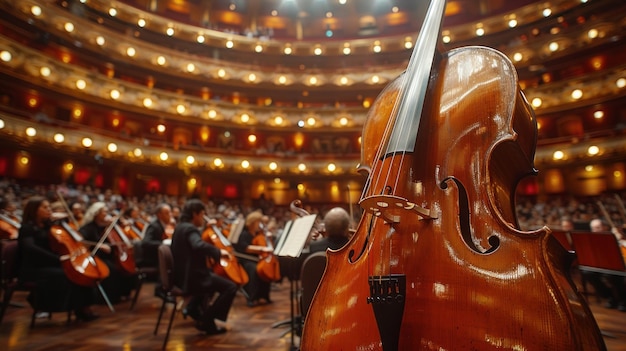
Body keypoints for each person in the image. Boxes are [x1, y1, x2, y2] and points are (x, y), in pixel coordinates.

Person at [17, 196, 99, 321]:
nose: (49, 210)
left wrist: (62, 221)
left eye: (49, 207)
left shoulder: (48, 226)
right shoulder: (27, 228)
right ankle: (43, 304)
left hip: (50, 263)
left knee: (78, 272)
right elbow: (30, 248)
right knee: (66, 275)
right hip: (34, 267)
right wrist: (57, 258)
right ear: (34, 210)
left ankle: (82, 308)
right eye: (45, 207)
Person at [170, 199, 237, 335]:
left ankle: (193, 308)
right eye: (202, 214)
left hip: (181, 276)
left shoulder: (181, 227)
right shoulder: (190, 229)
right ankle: (207, 319)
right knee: (230, 287)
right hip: (192, 278)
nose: (203, 218)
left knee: (212, 277)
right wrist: (219, 252)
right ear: (195, 214)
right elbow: (198, 245)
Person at [79, 202, 134, 304]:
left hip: (109, 255)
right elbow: (82, 242)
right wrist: (97, 245)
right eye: (104, 211)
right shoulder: (88, 227)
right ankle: (109, 298)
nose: (106, 214)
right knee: (112, 269)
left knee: (124, 267)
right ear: (96, 213)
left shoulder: (106, 226)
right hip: (95, 256)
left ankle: (123, 293)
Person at [233, 210, 274, 307]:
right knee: (254, 270)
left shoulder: (258, 234)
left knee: (266, 269)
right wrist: (262, 249)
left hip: (258, 259)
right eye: (258, 222)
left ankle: (264, 296)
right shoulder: (244, 234)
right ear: (251, 223)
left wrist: (268, 239)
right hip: (247, 259)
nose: (260, 225)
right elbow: (245, 248)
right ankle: (252, 297)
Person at [585, 218, 626, 311]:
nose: (595, 231)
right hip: (602, 265)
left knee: (611, 275)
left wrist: (618, 240)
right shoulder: (592, 240)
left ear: (605, 227)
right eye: (593, 228)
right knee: (588, 273)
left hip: (620, 265)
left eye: (598, 228)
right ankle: (609, 296)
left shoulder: (616, 236)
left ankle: (622, 299)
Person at [142, 203, 173, 269]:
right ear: (159, 215)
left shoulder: (164, 224)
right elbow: (145, 243)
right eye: (167, 213)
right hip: (153, 259)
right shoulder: (154, 226)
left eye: (170, 212)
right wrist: (163, 243)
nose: (170, 215)